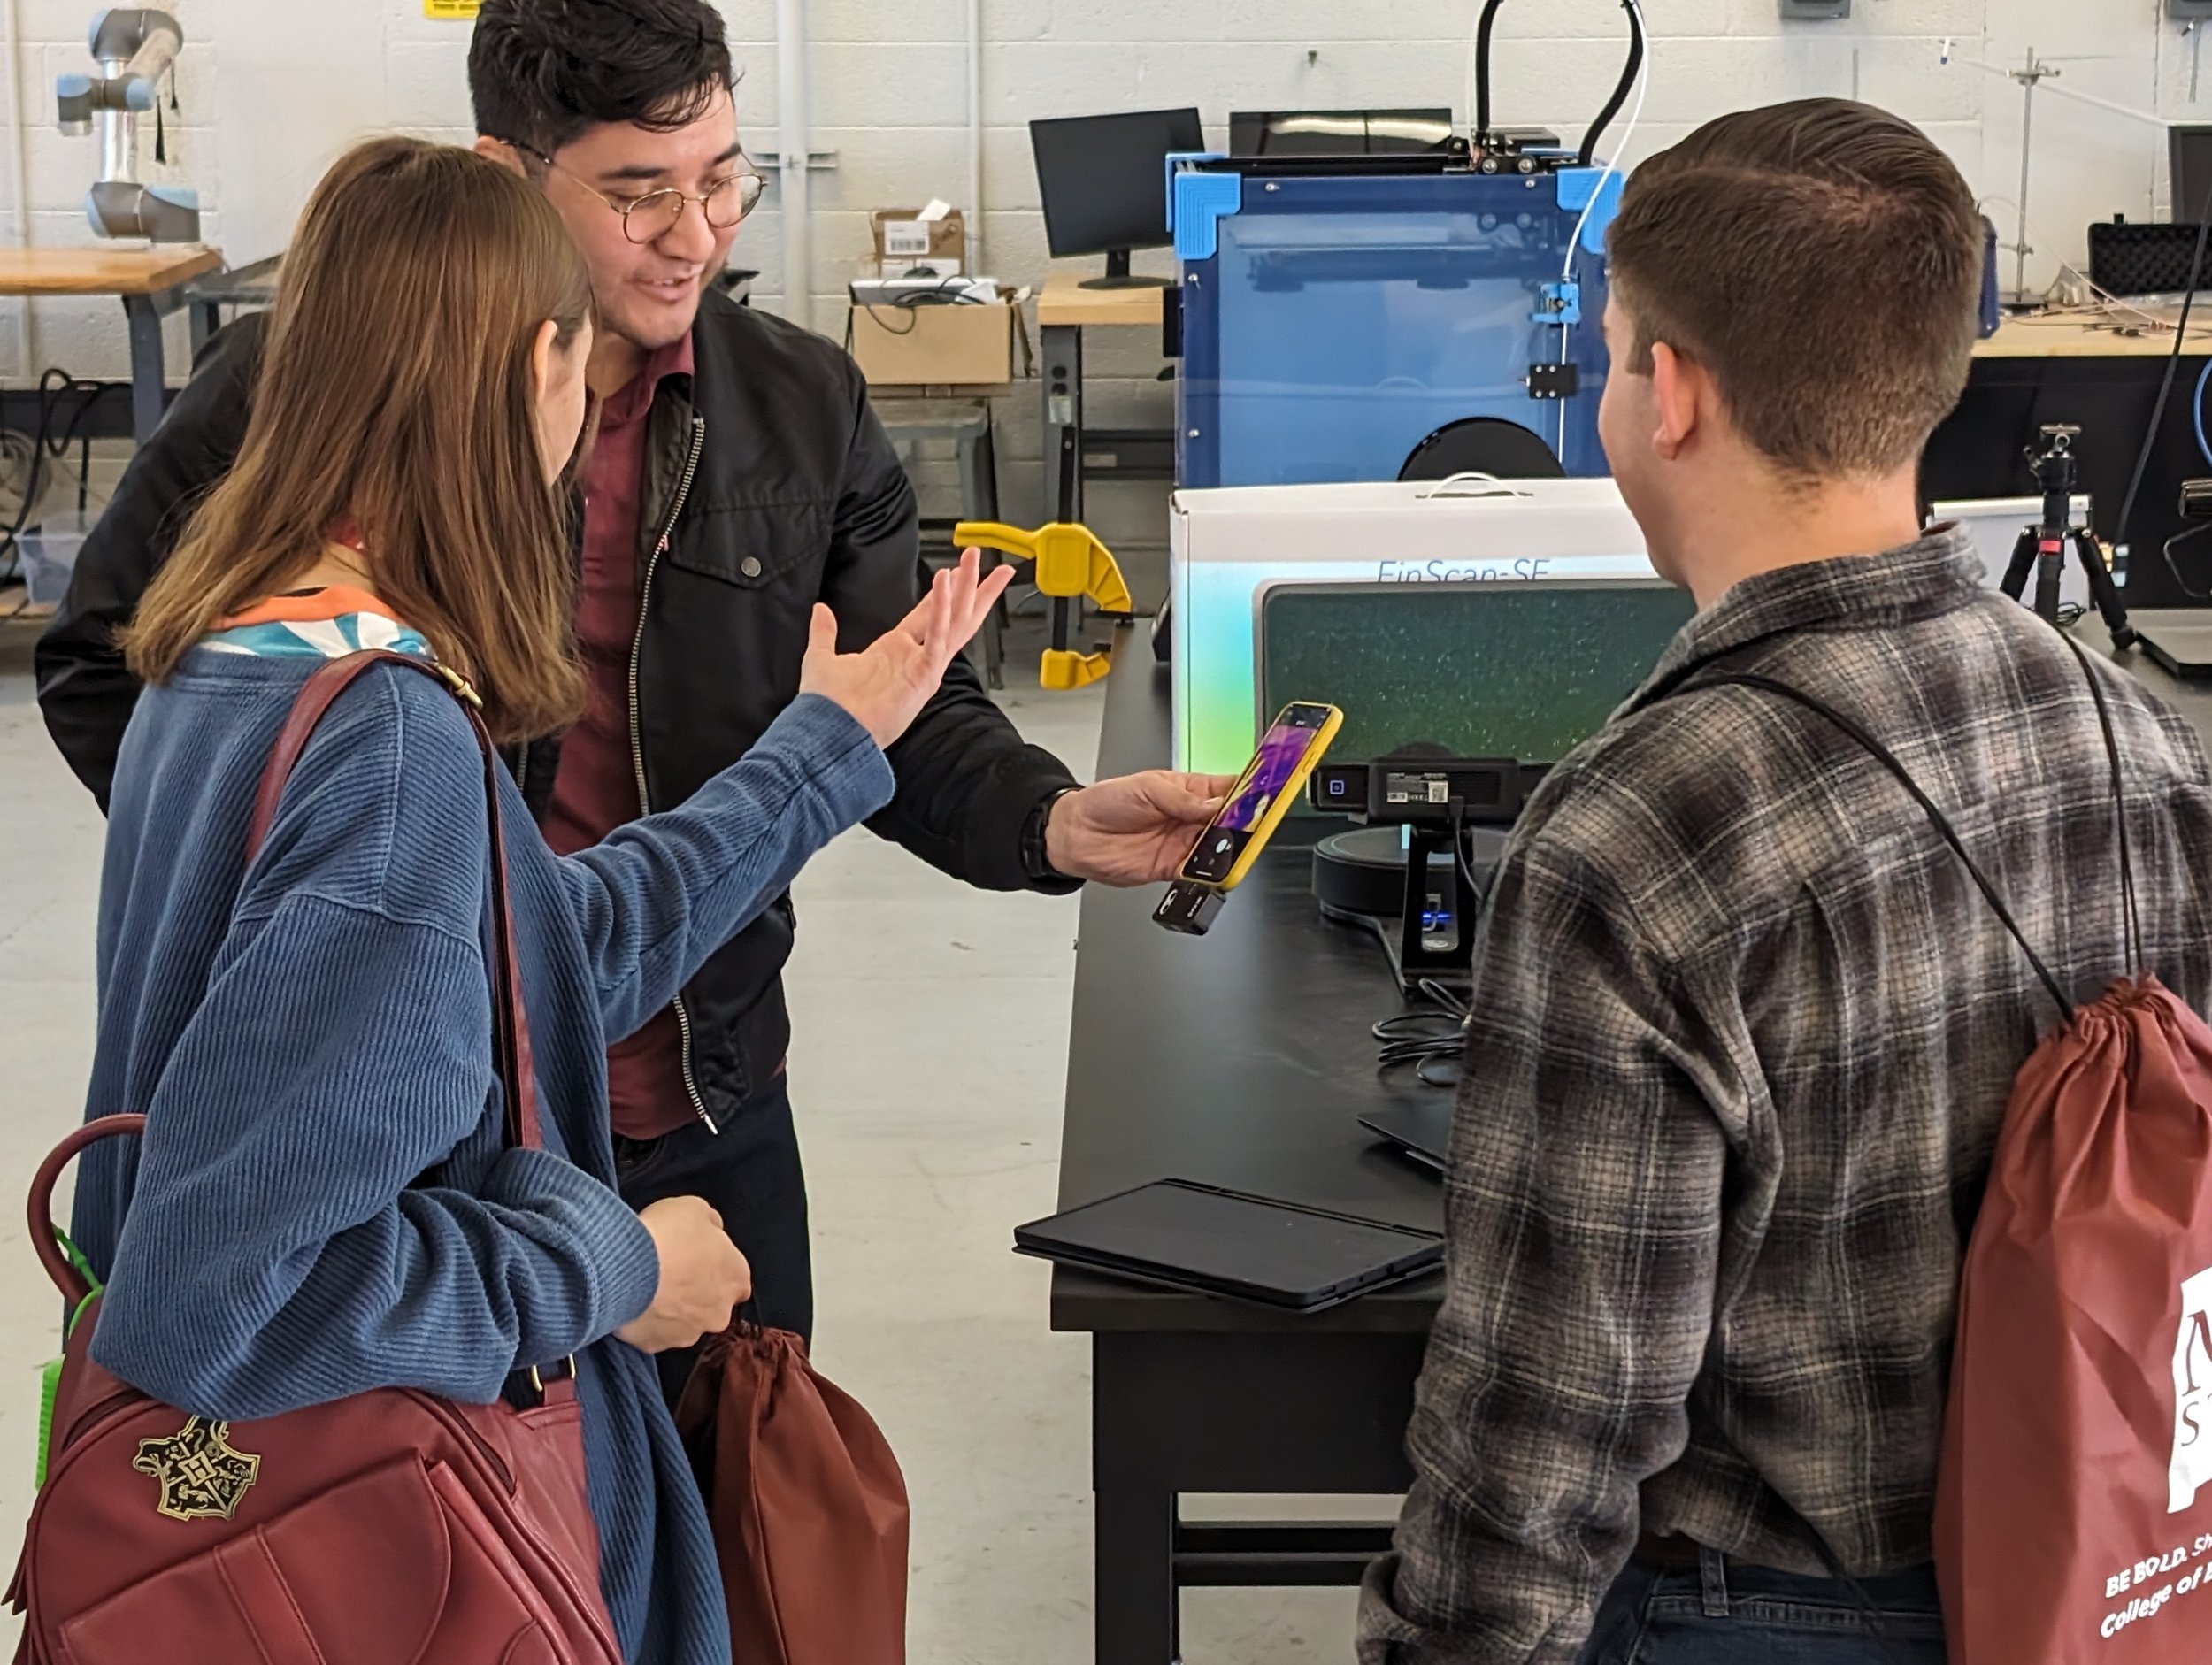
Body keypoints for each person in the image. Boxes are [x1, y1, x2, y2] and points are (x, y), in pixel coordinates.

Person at [35, 0, 1228, 1387]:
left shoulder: (798, 403)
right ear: (508, 182)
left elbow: (886, 699)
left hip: (695, 1080)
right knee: (472, 1557)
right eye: (639, 192)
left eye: (723, 179)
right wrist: (332, 914)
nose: (697, 233)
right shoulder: (329, 507)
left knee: (718, 1527)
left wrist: (1049, 817)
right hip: (434, 1131)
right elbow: (248, 1275)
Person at [72, 136, 1010, 1665]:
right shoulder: (383, 751)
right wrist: (620, 1269)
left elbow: (528, 952)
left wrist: (823, 750)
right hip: (390, 1560)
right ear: (537, 368)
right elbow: (235, 1293)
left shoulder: (236, 658)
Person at [1356, 100, 2212, 1665]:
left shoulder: (1636, 834)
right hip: (2094, 1570)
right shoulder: (2140, 736)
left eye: (1614, 349)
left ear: (1669, 393)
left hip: (1755, 1607)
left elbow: (1549, 1435)